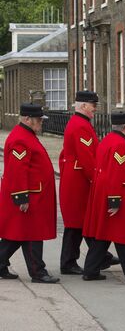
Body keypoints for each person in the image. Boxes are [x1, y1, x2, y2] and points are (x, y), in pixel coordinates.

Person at [82, 110, 125, 282]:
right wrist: (114, 200)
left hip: (103, 192)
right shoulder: (120, 145)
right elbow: (116, 173)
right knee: (123, 234)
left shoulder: (107, 140)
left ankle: (90, 270)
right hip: (114, 193)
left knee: (103, 234)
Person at [59, 91, 118, 275]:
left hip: (77, 180)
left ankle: (100, 256)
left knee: (81, 222)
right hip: (79, 182)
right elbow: (87, 158)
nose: (95, 109)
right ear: (83, 106)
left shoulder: (80, 124)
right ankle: (70, 262)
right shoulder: (80, 126)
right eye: (93, 105)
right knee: (76, 224)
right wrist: (98, 180)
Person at [0, 103, 59, 283]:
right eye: (39, 119)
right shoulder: (20, 139)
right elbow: (18, 170)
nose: (41, 122)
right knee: (31, 234)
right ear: (27, 119)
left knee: (18, 235)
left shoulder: (27, 135)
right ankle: (38, 272)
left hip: (34, 194)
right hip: (29, 195)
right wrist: (21, 196)